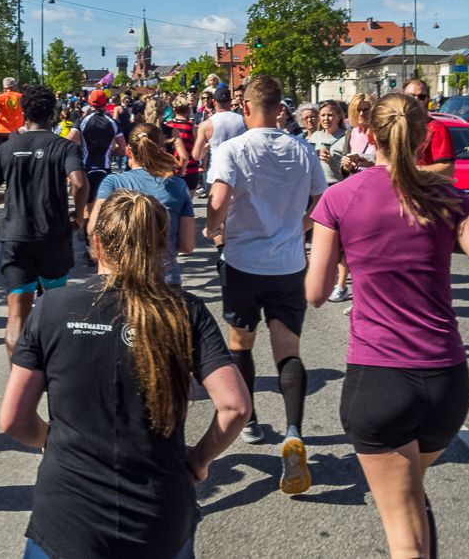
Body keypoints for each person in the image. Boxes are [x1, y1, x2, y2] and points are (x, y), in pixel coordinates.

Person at [306, 93, 469, 559]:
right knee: (412, 501)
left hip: (379, 380)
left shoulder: (339, 197)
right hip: (447, 383)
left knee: (402, 534)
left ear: (368, 134)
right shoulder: (450, 196)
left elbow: (316, 293)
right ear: (427, 135)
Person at [0, 190, 251, 559]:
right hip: (159, 521)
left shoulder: (52, 308)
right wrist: (199, 458)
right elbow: (235, 407)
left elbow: (13, 420)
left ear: (97, 243)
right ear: (161, 245)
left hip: (66, 523)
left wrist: (49, 439)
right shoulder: (187, 311)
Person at [204, 75, 327, 492]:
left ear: (245, 108)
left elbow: (219, 201)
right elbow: (320, 202)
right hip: (289, 264)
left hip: (242, 263)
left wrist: (211, 229)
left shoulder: (232, 149)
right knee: (288, 352)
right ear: (280, 109)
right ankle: (294, 430)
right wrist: (300, 226)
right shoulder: (303, 149)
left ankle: (252, 422)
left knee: (241, 344)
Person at [0, 86, 88, 356]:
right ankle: (53, 374)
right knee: (54, 310)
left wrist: (12, 194)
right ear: (52, 114)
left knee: (17, 316)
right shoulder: (64, 147)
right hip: (53, 235)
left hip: (15, 238)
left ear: (24, 115)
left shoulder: (7, 148)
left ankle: (19, 379)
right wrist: (78, 212)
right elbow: (79, 182)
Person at [89, 124, 195, 286]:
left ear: (128, 152)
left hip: (122, 281)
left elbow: (94, 228)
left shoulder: (113, 182)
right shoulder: (179, 186)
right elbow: (187, 245)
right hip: (165, 283)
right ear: (162, 150)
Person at [66, 90, 125, 258]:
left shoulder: (82, 121)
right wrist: (108, 153)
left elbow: (69, 142)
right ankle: (102, 245)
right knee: (103, 208)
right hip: (105, 169)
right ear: (105, 104)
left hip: (86, 168)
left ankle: (88, 246)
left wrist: (79, 152)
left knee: (87, 208)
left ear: (90, 104)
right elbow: (122, 149)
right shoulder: (113, 123)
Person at [192, 85, 246, 207]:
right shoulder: (244, 120)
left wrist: (208, 146)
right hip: (240, 173)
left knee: (218, 216)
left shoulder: (206, 125)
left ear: (214, 102)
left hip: (216, 175)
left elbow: (196, 154)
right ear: (230, 102)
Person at [403, 78, 455, 179]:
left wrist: (412, 171)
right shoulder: (395, 125)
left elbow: (448, 169)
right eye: (411, 96)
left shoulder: (436, 128)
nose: (416, 100)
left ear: (428, 99)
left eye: (421, 96)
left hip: (424, 189)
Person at [166, 95, 201, 196]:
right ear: (188, 110)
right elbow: (197, 146)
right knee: (188, 202)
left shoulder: (168, 125)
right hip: (191, 167)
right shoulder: (192, 126)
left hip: (172, 168)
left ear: (173, 110)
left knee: (173, 200)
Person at [341, 93, 378, 176]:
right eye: (358, 110)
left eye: (365, 109)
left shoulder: (380, 133)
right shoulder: (350, 133)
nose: (361, 113)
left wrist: (371, 164)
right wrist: (346, 166)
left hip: (375, 180)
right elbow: (344, 171)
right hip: (355, 181)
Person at [0, 76, 24, 149]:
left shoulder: (0, 97)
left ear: (4, 87)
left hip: (2, 130)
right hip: (17, 130)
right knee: (16, 151)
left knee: (3, 151)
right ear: (15, 86)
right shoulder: (21, 97)